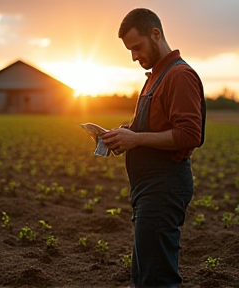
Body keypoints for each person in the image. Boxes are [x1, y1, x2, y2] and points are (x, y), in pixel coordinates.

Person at [101, 8, 206, 288]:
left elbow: (189, 134)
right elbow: (149, 126)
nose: (134, 57)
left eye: (137, 47)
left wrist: (136, 139)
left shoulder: (179, 75)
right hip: (148, 187)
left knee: (157, 277)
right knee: (145, 272)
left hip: (165, 183)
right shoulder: (154, 78)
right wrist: (122, 133)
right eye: (129, 51)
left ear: (155, 34)